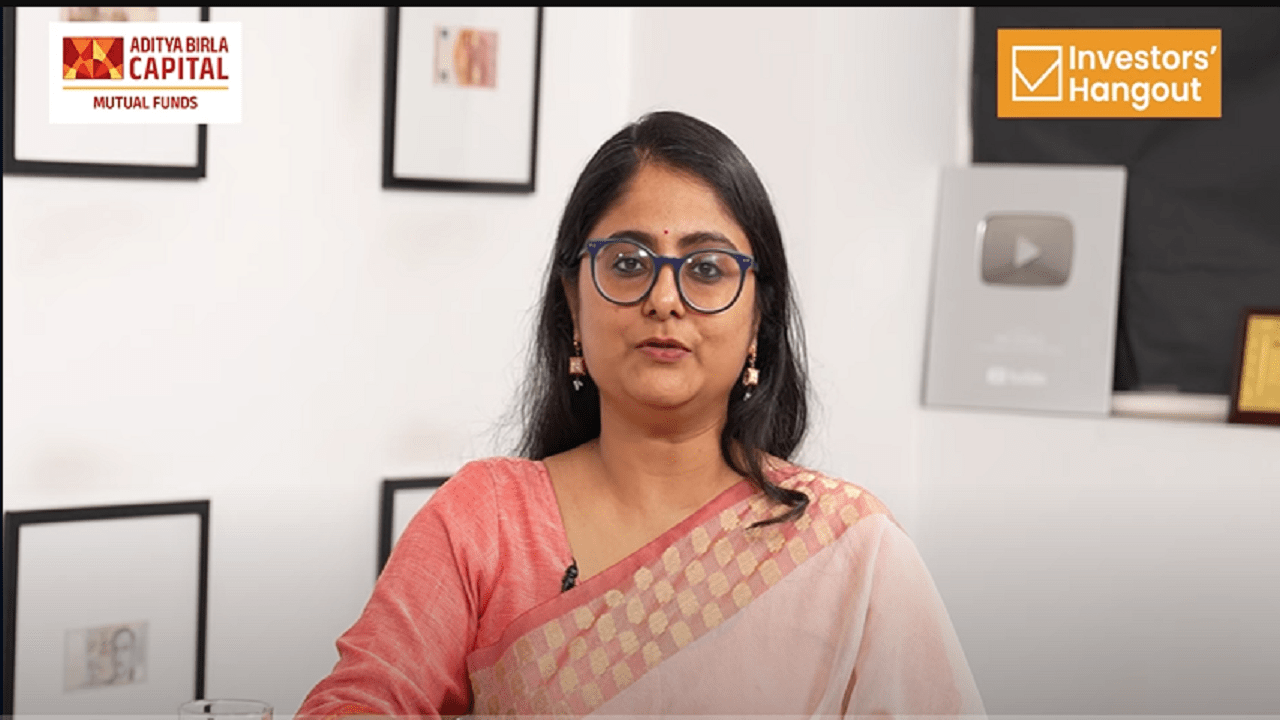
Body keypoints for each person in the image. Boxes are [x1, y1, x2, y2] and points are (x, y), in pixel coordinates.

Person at [297, 111, 984, 718]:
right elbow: (360, 699)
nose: (664, 298)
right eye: (627, 263)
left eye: (707, 269)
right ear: (573, 302)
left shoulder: (849, 550)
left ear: (758, 319)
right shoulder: (487, 520)